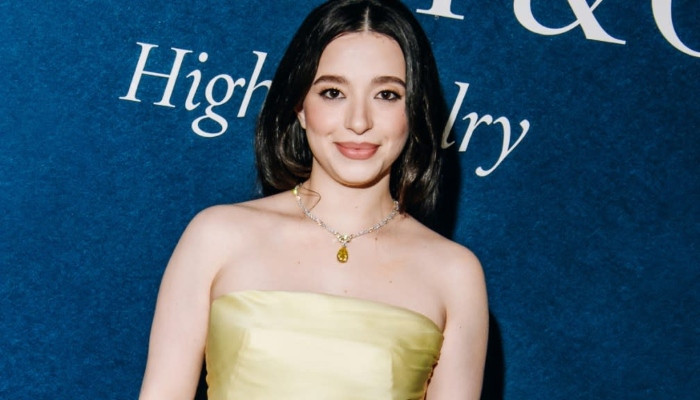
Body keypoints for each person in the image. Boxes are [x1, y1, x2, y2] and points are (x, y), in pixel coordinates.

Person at [138, 0, 488, 399]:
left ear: (415, 109)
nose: (359, 122)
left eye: (387, 94)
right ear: (300, 107)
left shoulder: (454, 274)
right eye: (333, 92)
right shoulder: (217, 236)